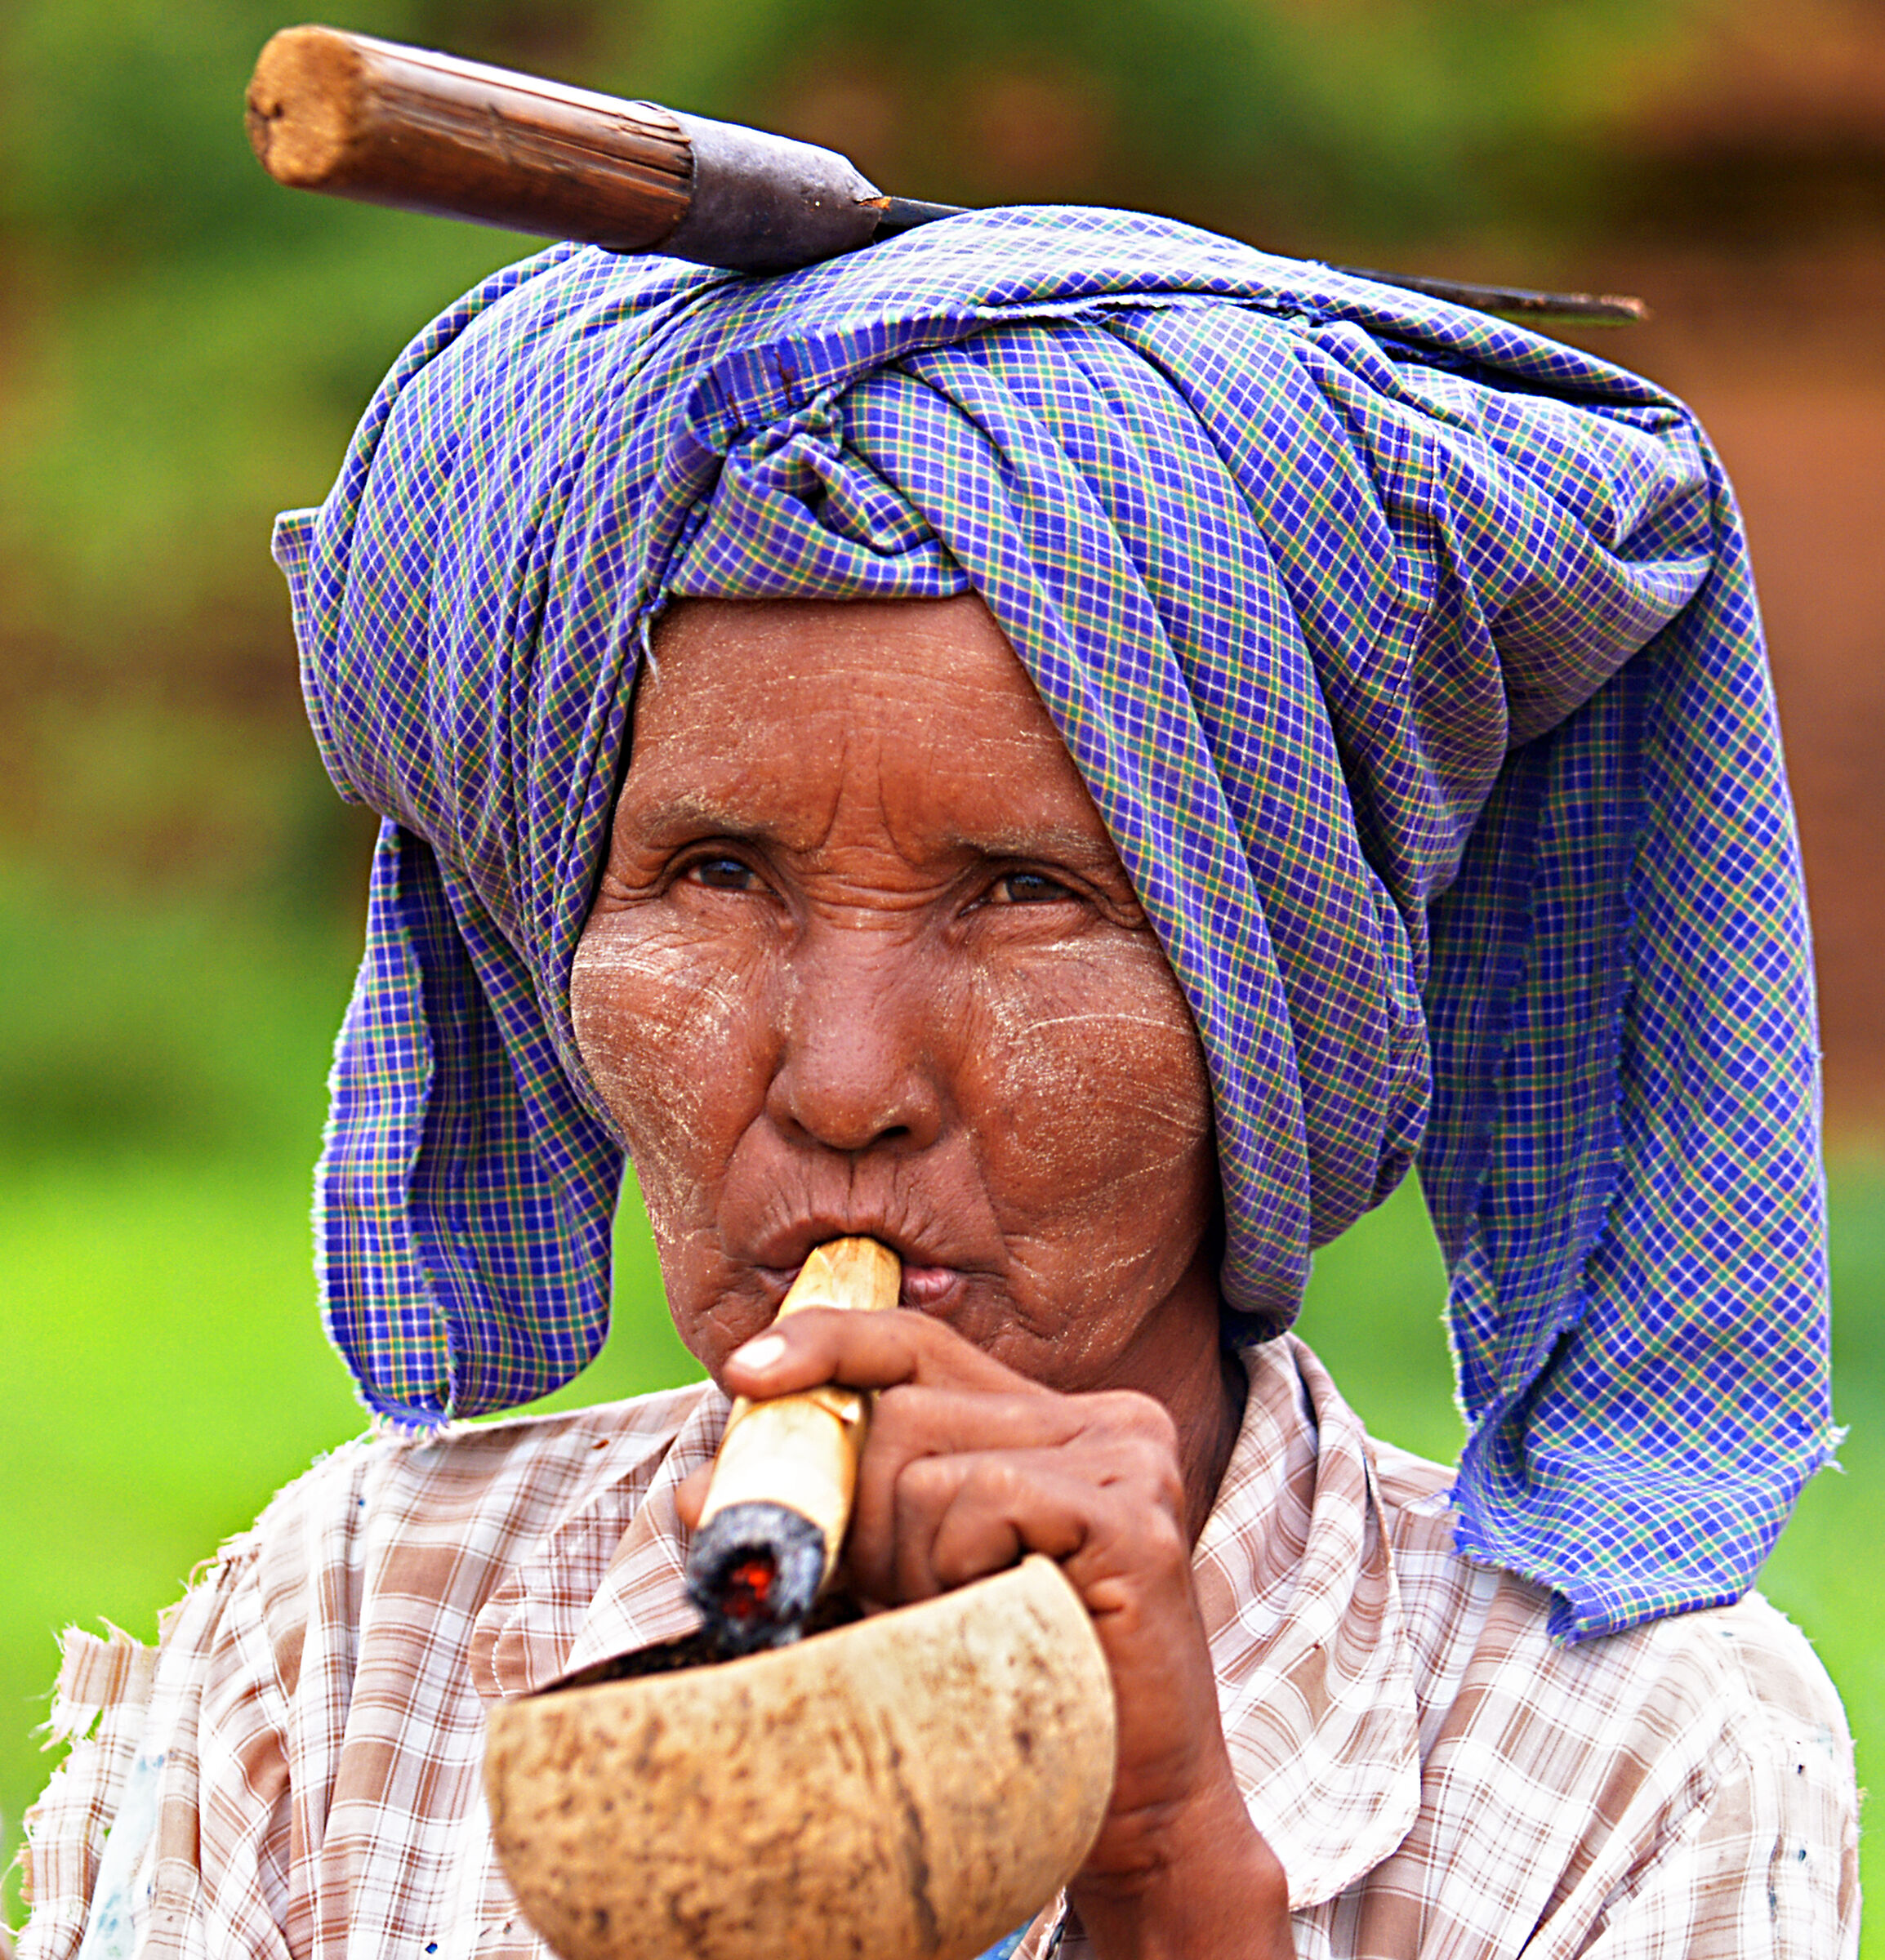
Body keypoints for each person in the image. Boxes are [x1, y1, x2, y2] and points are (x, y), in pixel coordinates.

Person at [15, 210, 1858, 1960]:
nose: (842, 1085)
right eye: (715, 874)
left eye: (1024, 892)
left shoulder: (1636, 1756)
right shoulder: (347, 1634)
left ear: (1280, 1001)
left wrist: (1160, 1870)